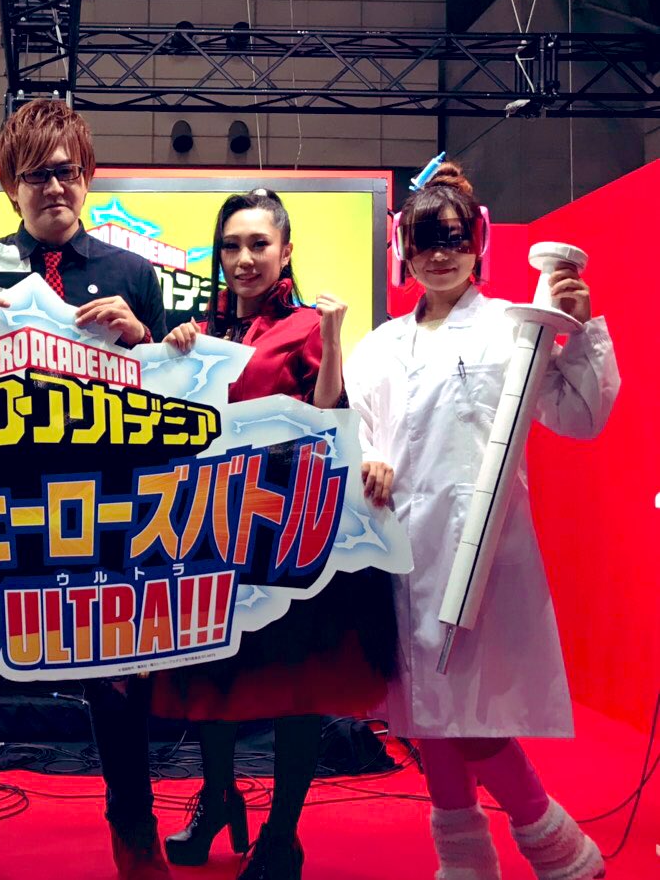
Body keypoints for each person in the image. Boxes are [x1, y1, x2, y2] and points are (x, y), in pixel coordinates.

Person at [0, 99, 168, 880]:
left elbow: (173, 400)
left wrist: (144, 339)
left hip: (103, 506)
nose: (54, 187)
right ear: (10, 186)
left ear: (87, 176)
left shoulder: (133, 275)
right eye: (36, 175)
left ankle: (136, 832)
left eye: (67, 171)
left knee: (115, 676)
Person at [344, 160, 618, 880]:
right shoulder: (378, 346)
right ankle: (463, 860)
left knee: (465, 715)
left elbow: (581, 415)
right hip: (401, 550)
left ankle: (559, 847)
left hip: (483, 550)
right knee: (426, 711)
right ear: (402, 248)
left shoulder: (513, 329)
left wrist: (582, 332)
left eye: (455, 237)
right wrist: (369, 462)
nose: (440, 253)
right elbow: (362, 430)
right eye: (425, 239)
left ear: (478, 243)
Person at [154, 189, 397, 880]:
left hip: (289, 532)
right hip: (210, 528)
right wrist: (175, 355)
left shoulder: (306, 325)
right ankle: (217, 800)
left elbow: (331, 417)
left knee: (296, 685)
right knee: (212, 675)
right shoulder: (202, 329)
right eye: (231, 245)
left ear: (285, 250)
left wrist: (332, 340)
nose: (243, 258)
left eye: (258, 244)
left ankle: (282, 834)